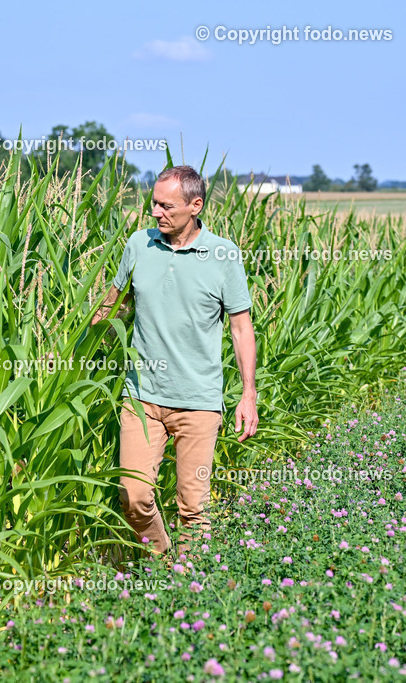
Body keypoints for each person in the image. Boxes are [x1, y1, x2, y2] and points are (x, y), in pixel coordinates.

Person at [91, 165, 258, 559]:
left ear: (195, 205)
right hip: (142, 398)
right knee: (133, 497)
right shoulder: (138, 245)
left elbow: (241, 329)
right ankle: (165, 564)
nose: (156, 213)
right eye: (153, 203)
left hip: (197, 402)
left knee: (193, 507)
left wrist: (248, 395)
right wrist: (72, 343)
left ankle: (190, 592)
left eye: (167, 206)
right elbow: (112, 305)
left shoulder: (223, 255)